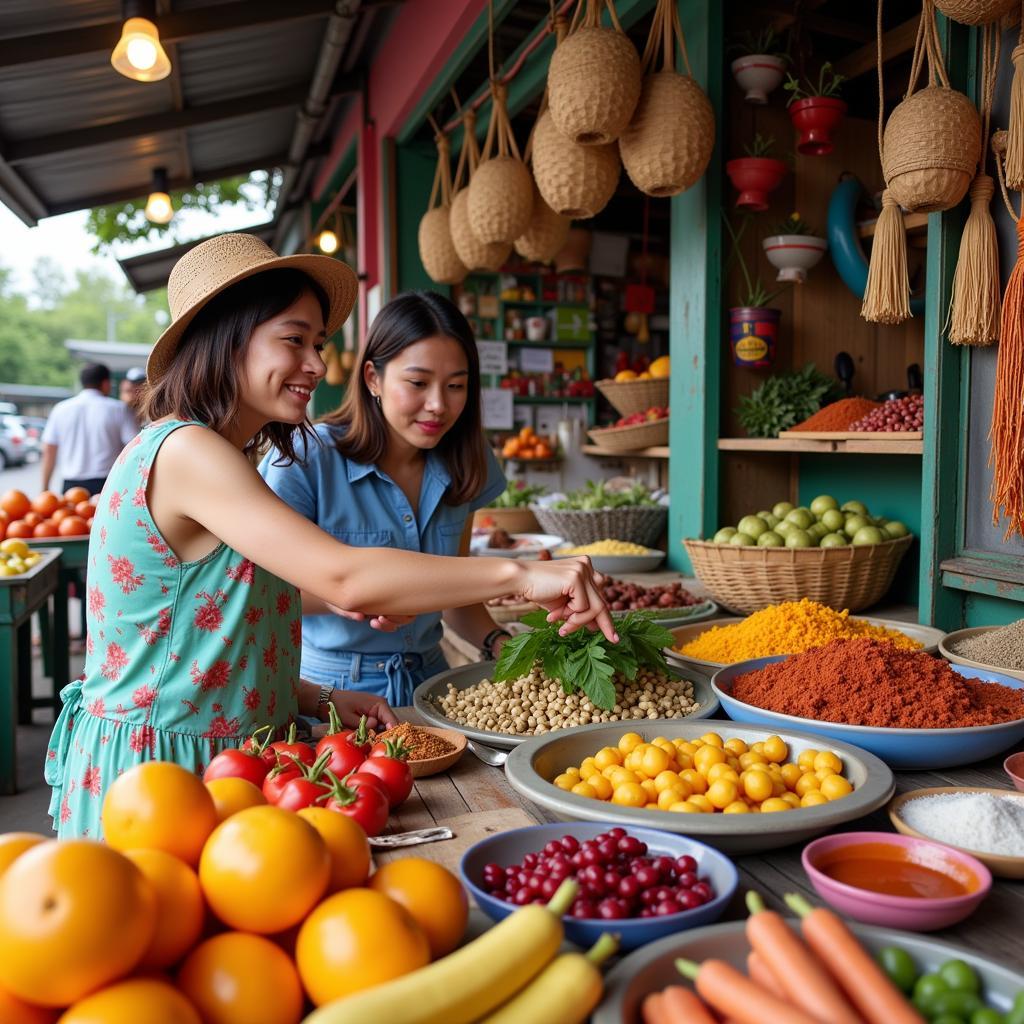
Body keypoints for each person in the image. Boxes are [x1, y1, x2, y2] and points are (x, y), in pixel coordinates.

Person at [45, 233, 614, 839]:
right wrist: (522, 573)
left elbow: (217, 635)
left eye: (317, 343)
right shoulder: (189, 451)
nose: (317, 365)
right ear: (225, 336)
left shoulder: (218, 454)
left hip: (222, 765)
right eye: (294, 340)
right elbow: (344, 577)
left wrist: (315, 698)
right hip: (162, 779)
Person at [259, 292, 511, 707]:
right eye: (417, 383)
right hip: (332, 692)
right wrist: (348, 598)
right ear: (373, 378)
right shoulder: (307, 458)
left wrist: (499, 643)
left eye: (456, 386)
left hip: (435, 686)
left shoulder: (468, 459)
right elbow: (262, 591)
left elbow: (458, 596)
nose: (438, 405)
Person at [41, 362, 140, 496]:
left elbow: (49, 451)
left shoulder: (61, 409)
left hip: (70, 485)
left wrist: (44, 489)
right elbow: (135, 448)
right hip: (107, 484)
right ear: (105, 383)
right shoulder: (119, 409)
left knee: (69, 517)